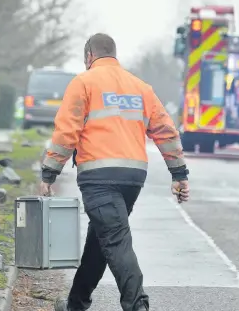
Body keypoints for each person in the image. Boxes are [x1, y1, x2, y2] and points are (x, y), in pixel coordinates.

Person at [39, 33, 191, 311]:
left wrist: (49, 173)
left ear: (89, 56)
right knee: (101, 239)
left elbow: (66, 133)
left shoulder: (83, 82)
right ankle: (76, 303)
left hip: (99, 176)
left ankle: (137, 304)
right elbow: (166, 132)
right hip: (133, 176)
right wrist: (178, 173)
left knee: (115, 240)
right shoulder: (140, 87)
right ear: (114, 54)